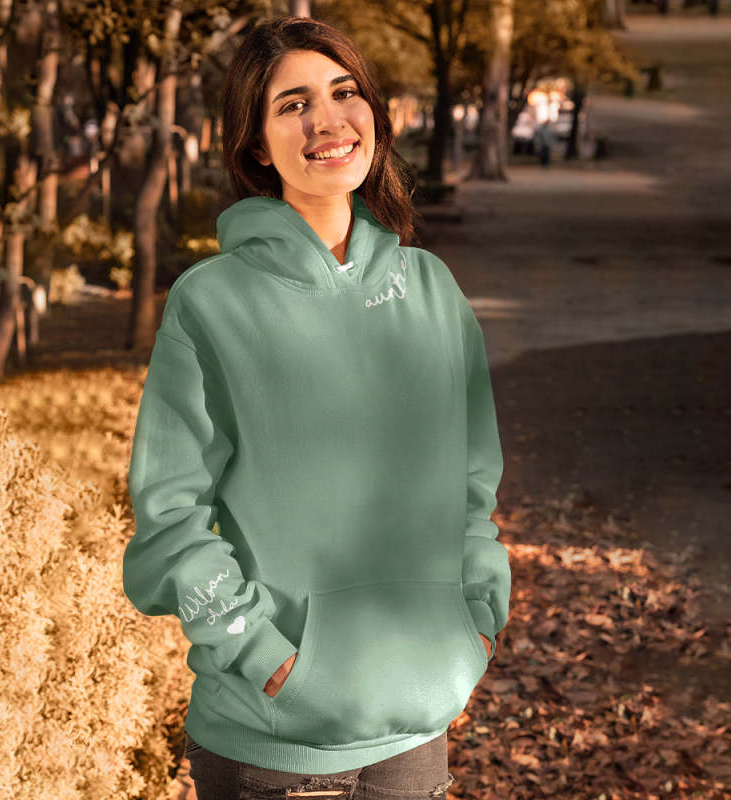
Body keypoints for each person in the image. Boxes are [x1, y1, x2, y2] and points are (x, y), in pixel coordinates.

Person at [122, 14, 511, 800]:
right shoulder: (213, 303)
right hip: (276, 740)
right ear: (257, 147)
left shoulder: (433, 289)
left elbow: (474, 487)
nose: (328, 120)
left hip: (418, 727)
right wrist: (266, 659)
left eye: (344, 92)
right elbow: (170, 516)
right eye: (293, 104)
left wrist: (476, 621)